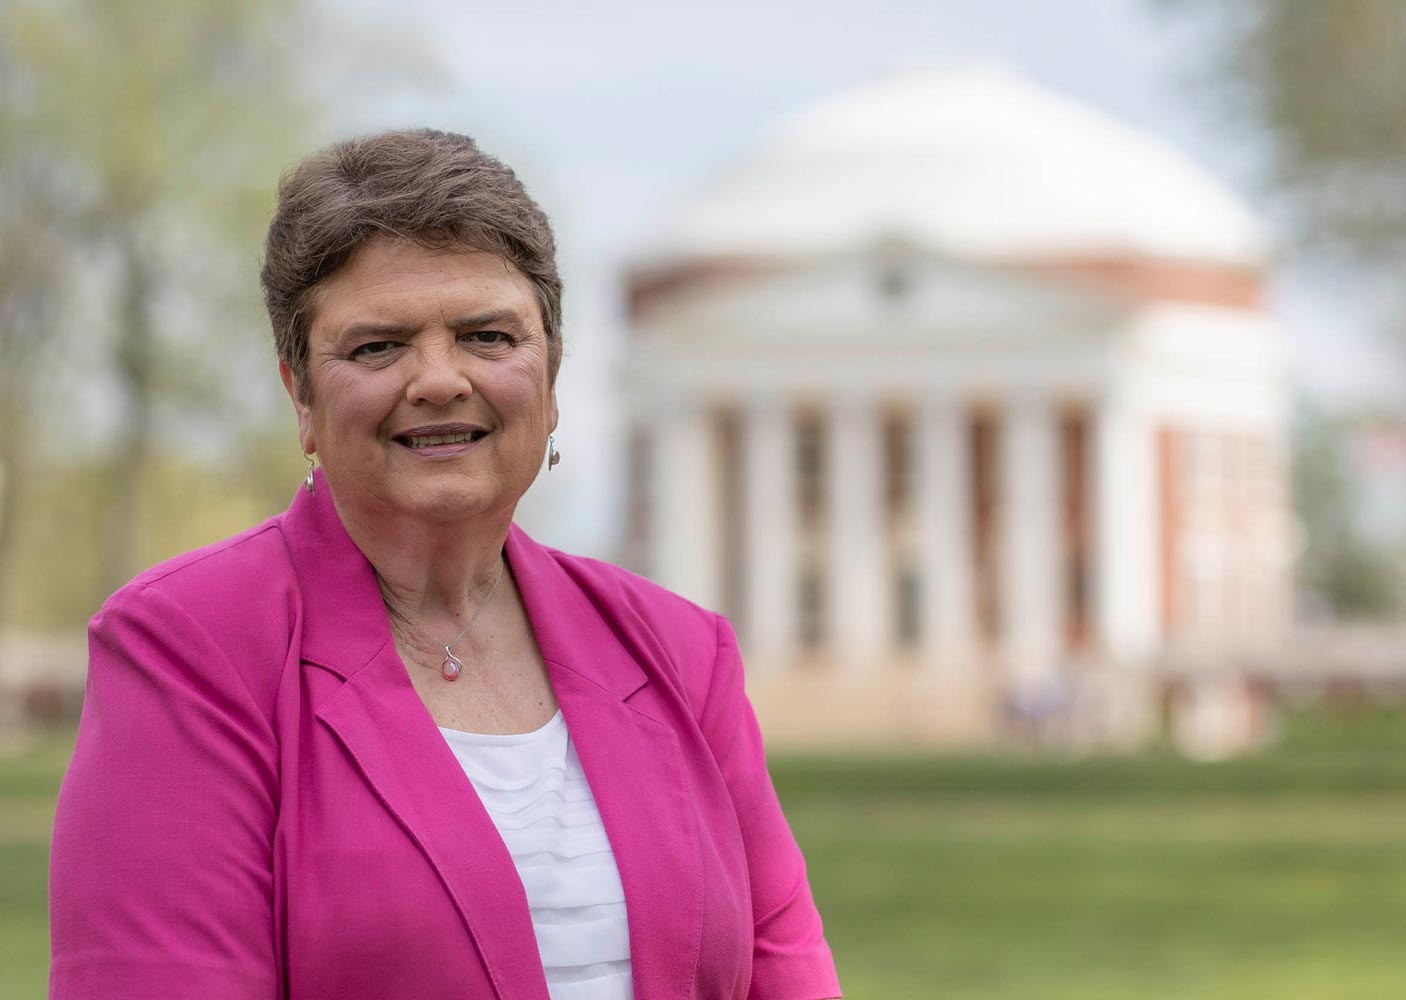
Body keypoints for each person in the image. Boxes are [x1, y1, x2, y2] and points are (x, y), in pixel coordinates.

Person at [48, 129, 841, 1000]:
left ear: (552, 372)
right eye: (377, 346)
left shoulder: (681, 653)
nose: (438, 379)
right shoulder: (190, 644)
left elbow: (787, 973)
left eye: (488, 336)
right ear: (301, 395)